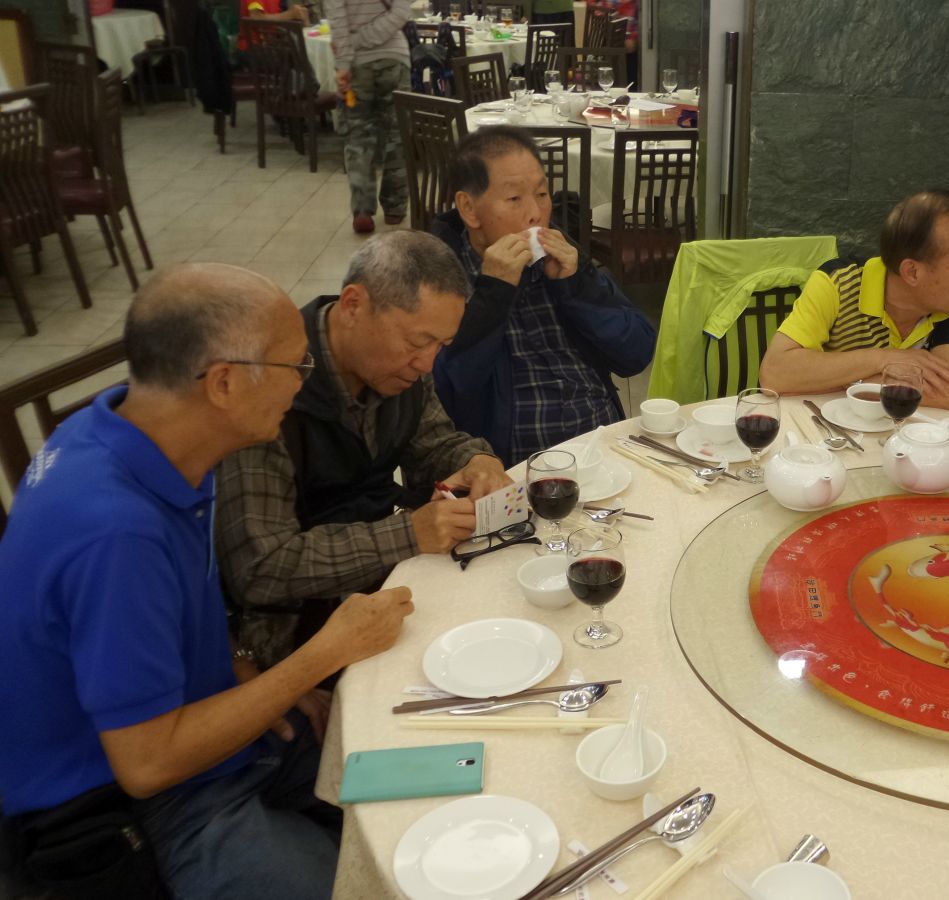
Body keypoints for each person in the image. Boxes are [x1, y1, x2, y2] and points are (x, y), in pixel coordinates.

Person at [0, 264, 415, 899]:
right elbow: (147, 766)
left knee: (422, 765)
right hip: (132, 798)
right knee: (369, 885)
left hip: (209, 721)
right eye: (296, 366)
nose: (304, 383)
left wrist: (245, 666)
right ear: (223, 382)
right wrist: (317, 658)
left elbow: (169, 600)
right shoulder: (115, 532)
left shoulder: (131, 435)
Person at [217, 231, 510, 667]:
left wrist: (476, 461)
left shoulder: (397, 368)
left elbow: (433, 442)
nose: (427, 363)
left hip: (383, 586)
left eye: (441, 346)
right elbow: (262, 567)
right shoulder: (272, 390)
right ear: (353, 304)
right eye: (417, 342)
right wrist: (407, 534)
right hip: (296, 633)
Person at [430, 126, 655, 464]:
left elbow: (636, 353)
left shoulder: (564, 259)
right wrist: (493, 295)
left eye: (542, 193)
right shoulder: (440, 277)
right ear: (469, 209)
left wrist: (577, 285)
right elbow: (446, 395)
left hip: (602, 450)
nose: (535, 212)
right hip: (515, 467)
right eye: (514, 199)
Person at [759, 190, 949, 409]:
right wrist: (885, 359)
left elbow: (948, 392)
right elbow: (775, 374)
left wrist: (849, 382)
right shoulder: (839, 282)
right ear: (912, 272)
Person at [326, 0, 411, 234]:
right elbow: (402, 12)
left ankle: (362, 209)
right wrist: (365, 39)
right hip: (395, 58)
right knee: (398, 136)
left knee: (358, 136)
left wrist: (345, 60)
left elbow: (338, 22)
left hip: (357, 64)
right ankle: (395, 208)